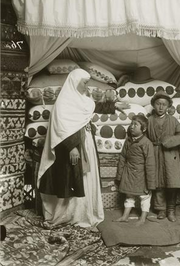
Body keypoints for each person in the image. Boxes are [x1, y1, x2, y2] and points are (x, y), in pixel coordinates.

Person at [37, 68, 129, 228]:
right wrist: (72, 147)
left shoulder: (82, 99)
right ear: (74, 82)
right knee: (73, 179)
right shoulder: (63, 103)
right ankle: (68, 215)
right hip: (72, 147)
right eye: (84, 83)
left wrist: (114, 105)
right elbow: (61, 128)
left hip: (86, 143)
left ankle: (85, 213)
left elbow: (94, 108)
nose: (87, 87)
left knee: (86, 177)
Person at [147, 91, 180, 222]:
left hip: (171, 155)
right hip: (155, 152)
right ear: (153, 105)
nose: (161, 107)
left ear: (168, 106)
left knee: (172, 182)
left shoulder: (173, 120)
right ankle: (160, 209)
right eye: (158, 104)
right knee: (158, 182)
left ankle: (171, 209)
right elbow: (145, 138)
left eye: (164, 104)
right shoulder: (149, 120)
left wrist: (170, 141)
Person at [114, 115, 156, 225]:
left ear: (144, 129)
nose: (132, 127)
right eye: (131, 124)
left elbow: (150, 164)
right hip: (128, 173)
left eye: (135, 125)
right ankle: (125, 216)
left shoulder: (147, 143)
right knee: (129, 195)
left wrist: (150, 184)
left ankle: (142, 218)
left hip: (141, 174)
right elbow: (123, 157)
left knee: (144, 197)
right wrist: (119, 175)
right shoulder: (128, 141)